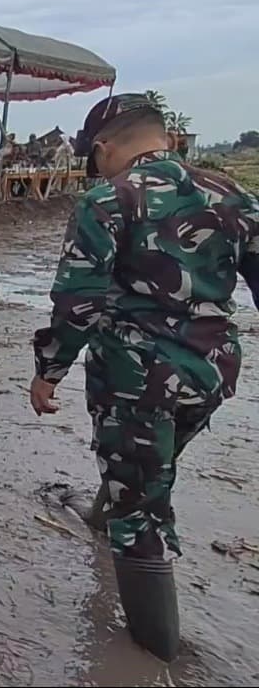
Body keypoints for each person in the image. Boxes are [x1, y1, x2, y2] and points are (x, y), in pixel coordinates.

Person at [30, 94, 259, 663]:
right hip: (210, 372)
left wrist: (48, 370)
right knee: (147, 462)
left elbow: (78, 300)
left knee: (143, 506)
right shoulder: (230, 195)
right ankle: (103, 517)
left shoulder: (107, 200)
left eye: (94, 156)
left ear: (105, 148)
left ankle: (156, 656)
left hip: (136, 376)